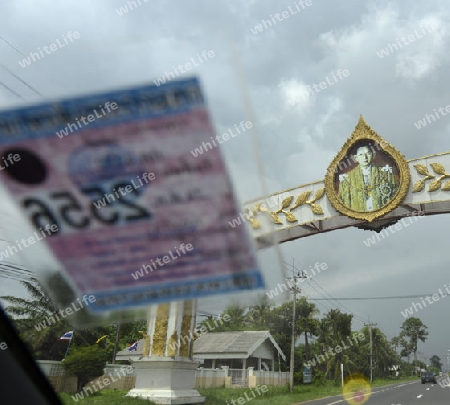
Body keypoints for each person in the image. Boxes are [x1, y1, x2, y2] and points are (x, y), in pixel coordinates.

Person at [337, 144, 398, 212]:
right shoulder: (347, 179)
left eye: (368, 153)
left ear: (373, 155)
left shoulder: (385, 174)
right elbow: (343, 204)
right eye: (361, 155)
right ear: (356, 158)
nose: (365, 157)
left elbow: (395, 196)